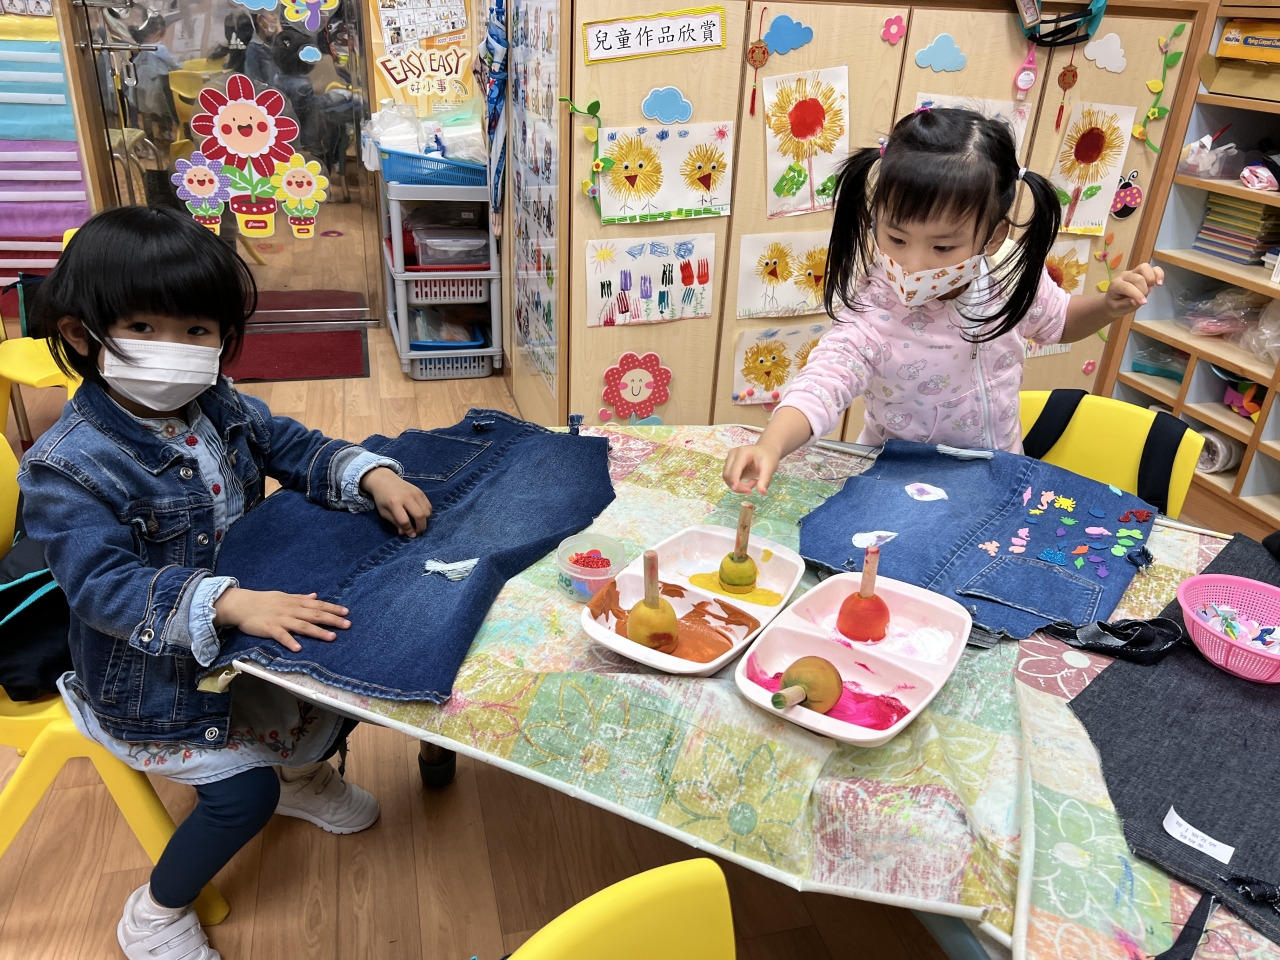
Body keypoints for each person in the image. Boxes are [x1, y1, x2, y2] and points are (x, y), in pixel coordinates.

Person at [18, 207, 433, 960]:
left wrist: (367, 473)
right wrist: (230, 602)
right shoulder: (66, 466)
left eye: (197, 330)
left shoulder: (216, 404)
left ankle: (299, 776)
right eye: (143, 328)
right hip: (154, 680)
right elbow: (104, 587)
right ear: (81, 335)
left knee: (349, 670)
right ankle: (154, 913)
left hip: (243, 636)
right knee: (242, 797)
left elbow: (291, 444)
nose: (176, 350)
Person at [723, 107, 1164, 494]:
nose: (913, 264)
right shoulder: (874, 307)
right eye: (896, 238)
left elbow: (1060, 320)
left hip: (997, 472)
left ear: (993, 236)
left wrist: (1107, 306)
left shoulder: (1006, 277)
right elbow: (823, 382)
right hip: (895, 478)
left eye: (943, 247)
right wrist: (771, 445)